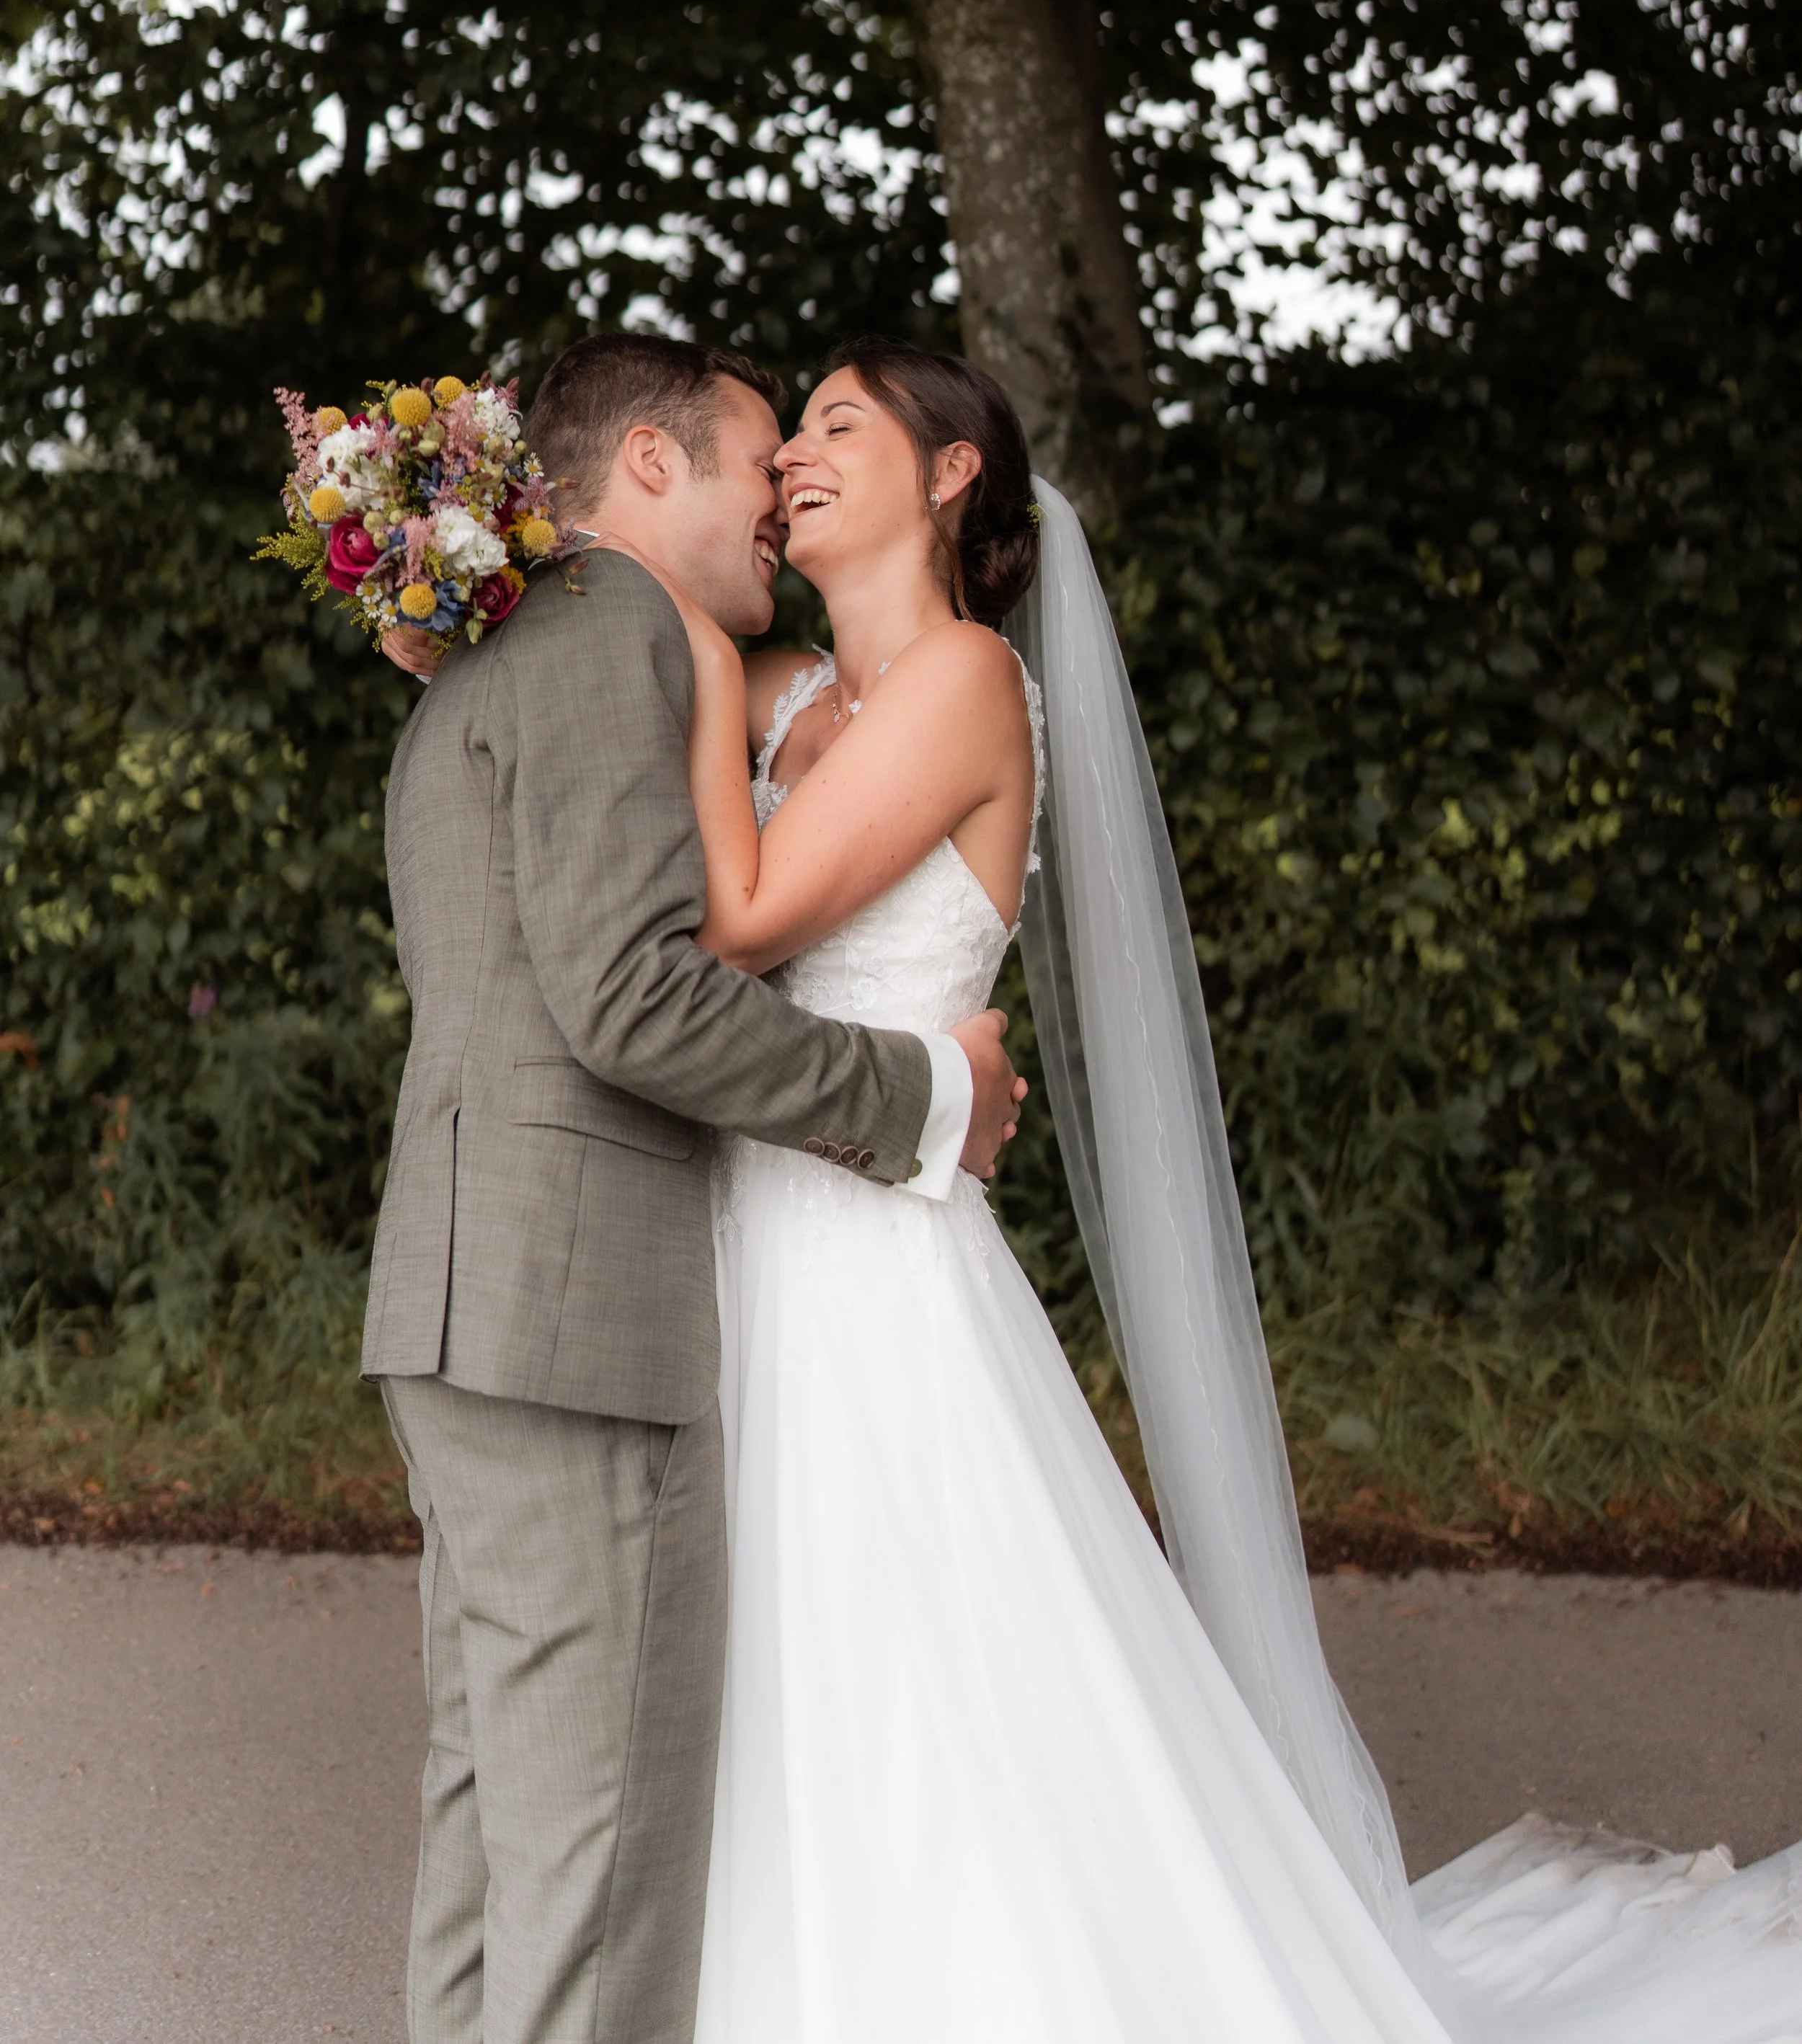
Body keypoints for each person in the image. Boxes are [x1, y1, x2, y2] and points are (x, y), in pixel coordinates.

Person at [630, 337, 1802, 2044]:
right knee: (777, 1660)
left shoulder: (962, 682)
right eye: (785, 433)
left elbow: (739, 923)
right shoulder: (798, 689)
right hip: (755, 1225)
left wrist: (667, 627)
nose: (791, 455)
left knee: (904, 1650)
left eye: (833, 425)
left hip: (874, 1263)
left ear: (951, 474)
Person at [364, 333, 1026, 2044]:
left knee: (493, 1820)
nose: (777, 488)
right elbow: (634, 994)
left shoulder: (490, 656)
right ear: (649, 469)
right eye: (755, 455)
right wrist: (920, 1092)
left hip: (464, 1290)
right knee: (592, 1860)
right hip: (571, 1311)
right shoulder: (611, 644)